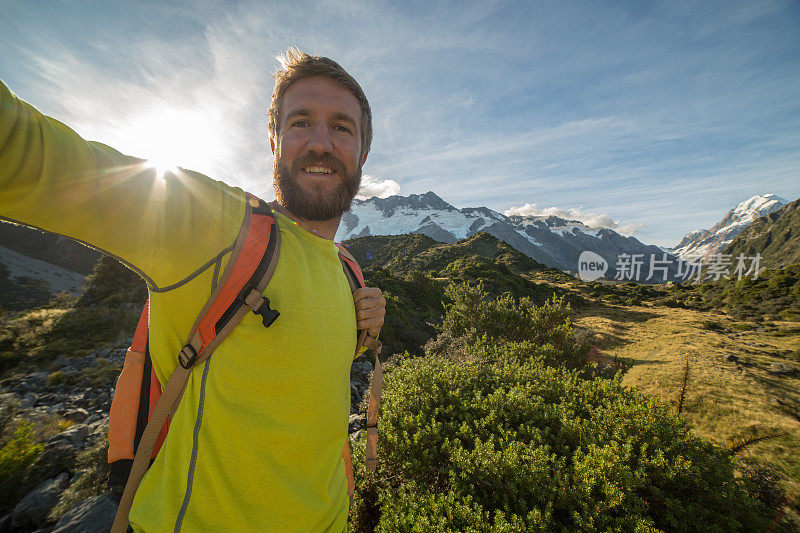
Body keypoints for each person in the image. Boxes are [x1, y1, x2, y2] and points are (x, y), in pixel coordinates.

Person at [0, 48, 386, 531]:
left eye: (343, 128)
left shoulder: (348, 271)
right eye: (301, 122)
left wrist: (365, 327)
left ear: (363, 154)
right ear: (274, 142)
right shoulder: (212, 226)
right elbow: (29, 152)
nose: (321, 143)